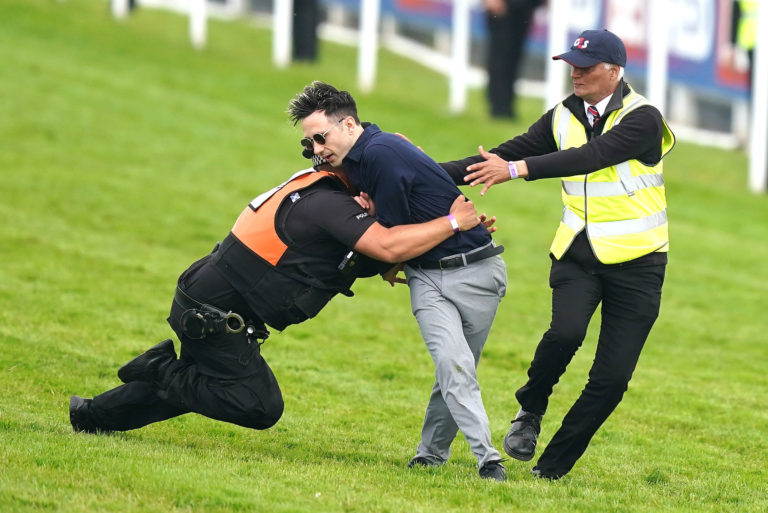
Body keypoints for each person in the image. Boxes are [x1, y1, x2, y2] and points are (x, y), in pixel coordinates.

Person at [69, 155, 488, 436]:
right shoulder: (330, 206)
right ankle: (159, 366)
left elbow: (418, 179)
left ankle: (90, 416)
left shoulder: (328, 191)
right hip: (211, 313)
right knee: (258, 406)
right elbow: (388, 247)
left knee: (199, 386)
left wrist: (498, 164)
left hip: (208, 299)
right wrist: (454, 222)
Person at [440, 29, 675, 480]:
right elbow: (497, 157)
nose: (576, 73)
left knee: (610, 382)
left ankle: (549, 470)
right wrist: (413, 169)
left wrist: (517, 170)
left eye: (586, 67)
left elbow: (593, 156)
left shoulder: (644, 118)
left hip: (641, 264)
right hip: (577, 254)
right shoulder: (562, 115)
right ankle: (530, 410)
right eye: (572, 65)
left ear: (615, 71)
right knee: (565, 334)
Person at [287, 82, 509, 482]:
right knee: (453, 364)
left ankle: (430, 456)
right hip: (426, 278)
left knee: (455, 370)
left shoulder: (380, 153)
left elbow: (392, 237)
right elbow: (399, 226)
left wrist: (393, 245)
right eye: (308, 145)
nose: (316, 151)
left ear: (350, 124)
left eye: (321, 138)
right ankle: (489, 460)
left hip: (478, 271)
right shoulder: (362, 156)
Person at [484, 0, 542, 119]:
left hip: (523, 5)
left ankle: (507, 107)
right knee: (500, 56)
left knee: (514, 57)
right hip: (503, 6)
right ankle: (498, 108)